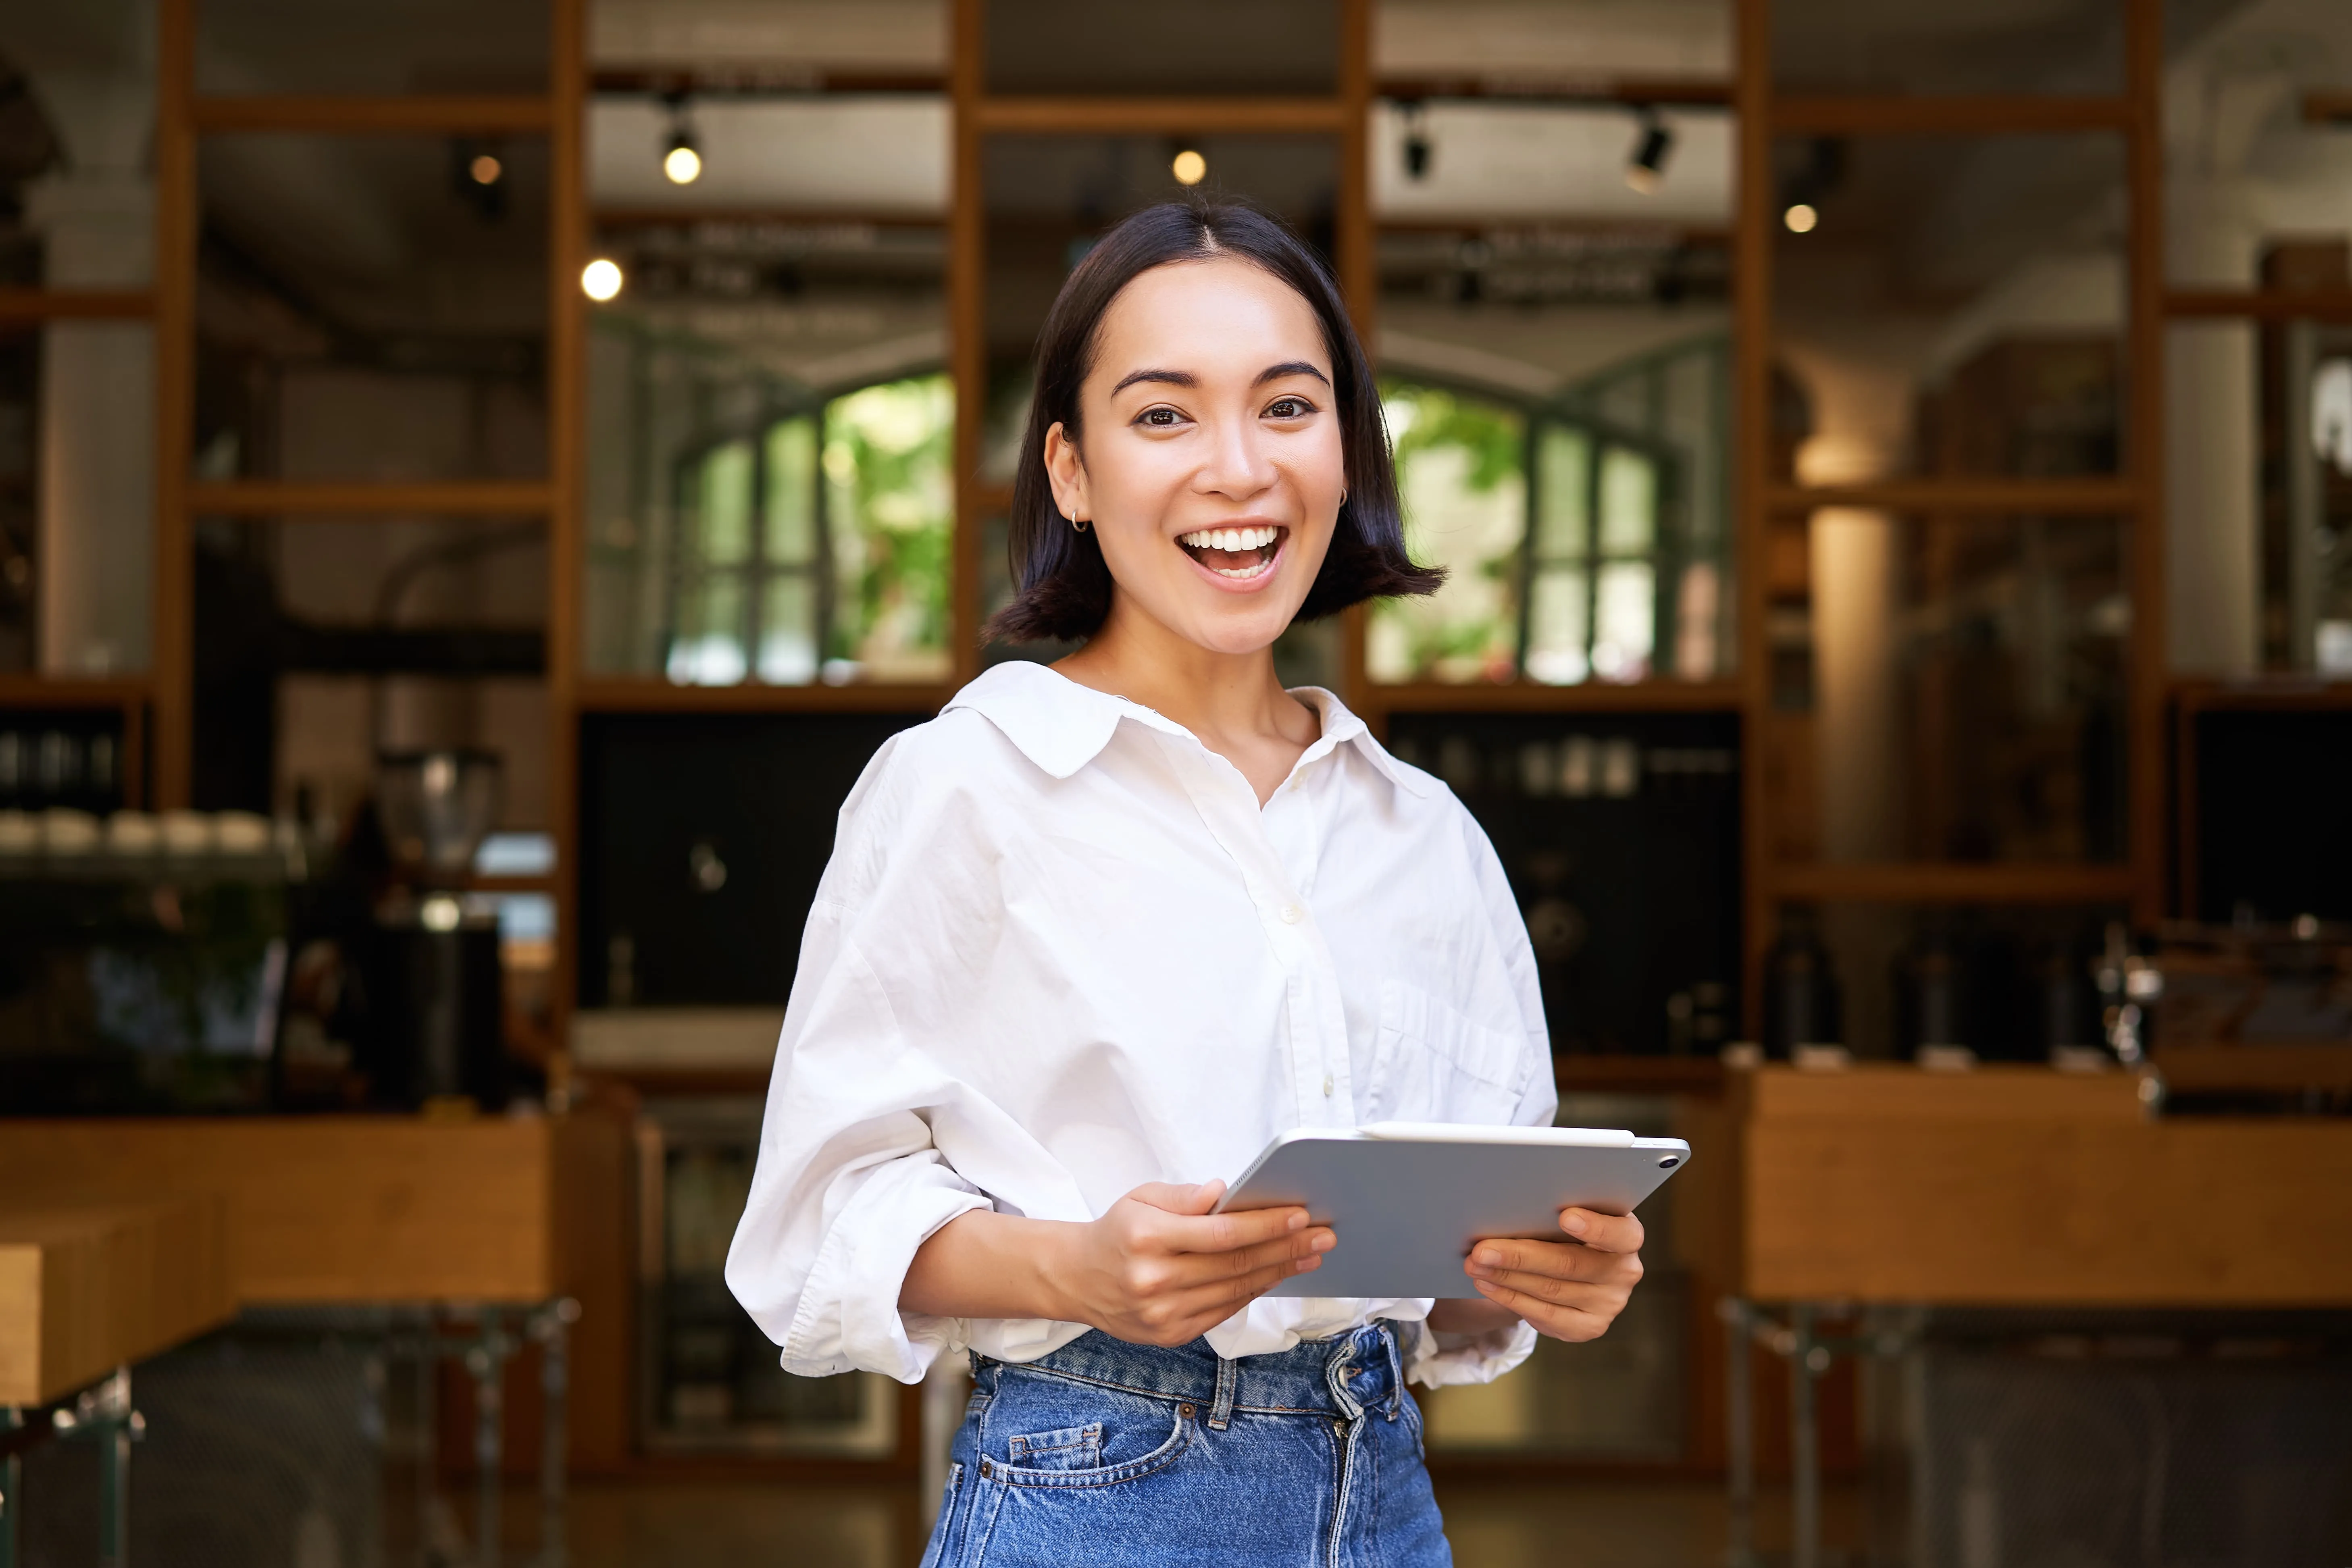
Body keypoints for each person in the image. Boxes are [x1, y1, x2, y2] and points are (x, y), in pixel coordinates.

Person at [726, 200, 1646, 1567]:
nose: (1238, 468)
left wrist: (1539, 1276)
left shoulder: (1425, 836)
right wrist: (1076, 1269)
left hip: (1383, 1494)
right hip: (1095, 1483)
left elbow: (1442, 1285)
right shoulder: (965, 785)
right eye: (1164, 416)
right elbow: (816, 1224)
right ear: (1073, 471)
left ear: (1346, 449)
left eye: (1289, 406)